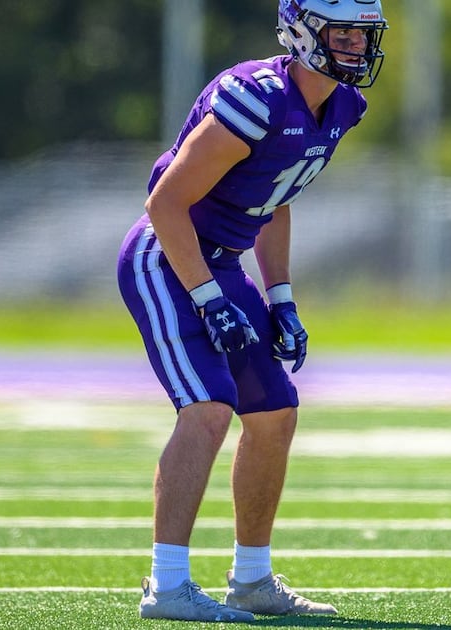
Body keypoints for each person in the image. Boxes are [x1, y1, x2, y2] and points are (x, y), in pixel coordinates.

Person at [116, 0, 389, 622]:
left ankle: (252, 579)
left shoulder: (343, 107)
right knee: (208, 409)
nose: (354, 44)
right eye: (340, 30)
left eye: (362, 33)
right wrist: (209, 300)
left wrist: (281, 298)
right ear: (300, 29)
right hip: (168, 256)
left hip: (226, 261)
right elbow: (166, 204)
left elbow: (276, 194)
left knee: (274, 414)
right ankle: (168, 585)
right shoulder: (255, 96)